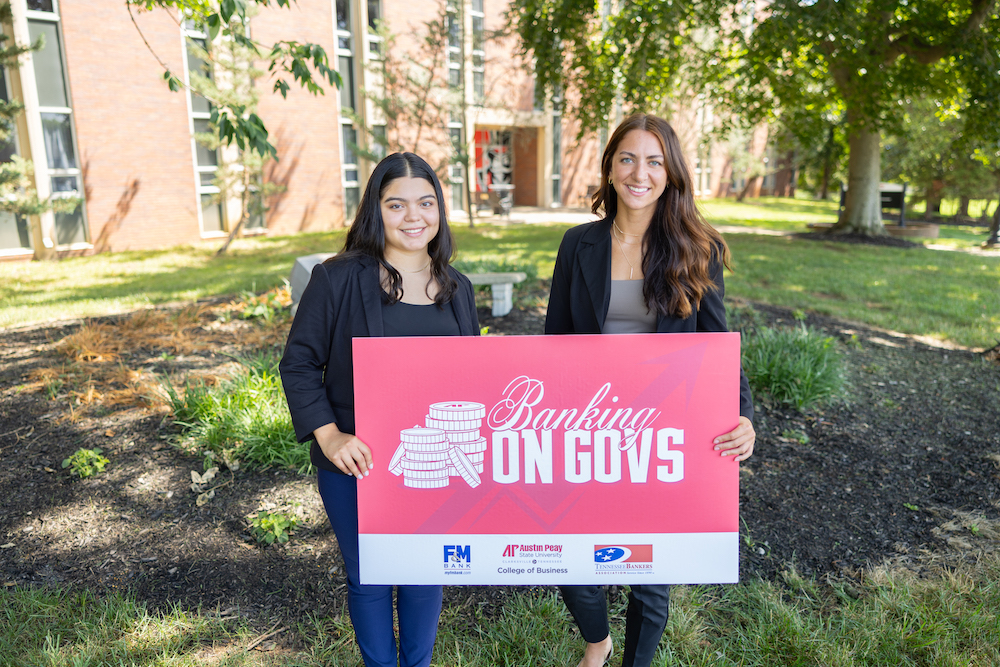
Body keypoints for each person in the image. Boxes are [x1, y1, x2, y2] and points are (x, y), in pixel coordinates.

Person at [544, 113, 756, 667]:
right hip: (586, 429)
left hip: (662, 432)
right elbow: (554, 341)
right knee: (570, 557)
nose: (641, 172)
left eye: (655, 161)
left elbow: (717, 342)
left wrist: (743, 414)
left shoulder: (696, 249)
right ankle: (598, 639)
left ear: (671, 172)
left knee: (649, 573)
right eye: (628, 159)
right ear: (611, 169)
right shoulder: (578, 245)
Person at [279, 152, 480, 667]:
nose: (414, 217)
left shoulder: (458, 289)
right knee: (369, 572)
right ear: (376, 210)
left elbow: (471, 377)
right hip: (358, 461)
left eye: (426, 202)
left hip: (433, 463)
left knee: (424, 569)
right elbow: (299, 363)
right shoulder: (338, 279)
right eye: (397, 205)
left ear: (439, 210)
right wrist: (329, 436)